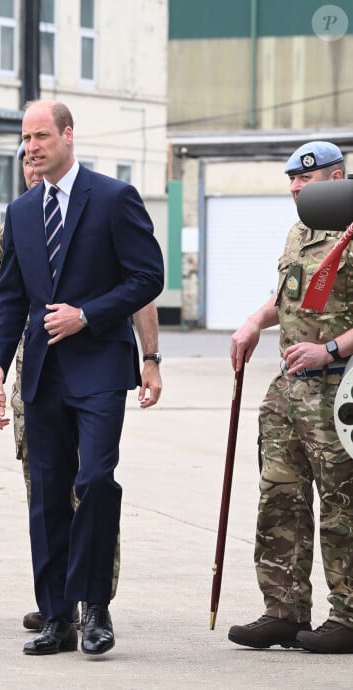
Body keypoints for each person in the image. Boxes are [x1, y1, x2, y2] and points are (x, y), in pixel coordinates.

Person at [0, 100, 164, 656]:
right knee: (47, 498)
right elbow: (11, 295)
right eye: (25, 138)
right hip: (42, 373)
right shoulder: (20, 212)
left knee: (95, 483)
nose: (31, 147)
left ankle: (96, 610)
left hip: (101, 370)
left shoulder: (113, 198)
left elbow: (148, 276)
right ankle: (57, 618)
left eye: (41, 136)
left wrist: (88, 313)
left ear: (67, 135)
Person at [228, 141, 353, 653]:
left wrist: (329, 349)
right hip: (289, 389)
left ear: (338, 178)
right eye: (291, 181)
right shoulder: (300, 231)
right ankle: (282, 609)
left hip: (340, 390)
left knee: (343, 504)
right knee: (280, 496)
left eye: (307, 179)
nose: (296, 188)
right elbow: (290, 296)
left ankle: (347, 614)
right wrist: (255, 320)